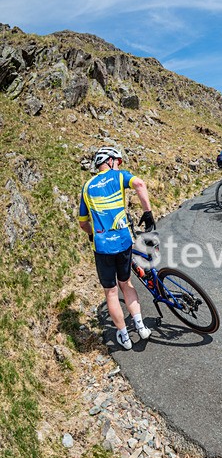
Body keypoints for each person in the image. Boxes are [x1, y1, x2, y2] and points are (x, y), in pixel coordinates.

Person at [78, 146, 154, 350]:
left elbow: (83, 223)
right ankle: (141, 326)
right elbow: (139, 183)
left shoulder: (86, 187)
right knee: (126, 284)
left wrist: (92, 234)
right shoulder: (119, 176)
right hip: (123, 242)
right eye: (118, 161)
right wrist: (147, 213)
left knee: (111, 292)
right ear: (110, 161)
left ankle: (124, 337)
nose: (119, 164)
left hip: (102, 247)